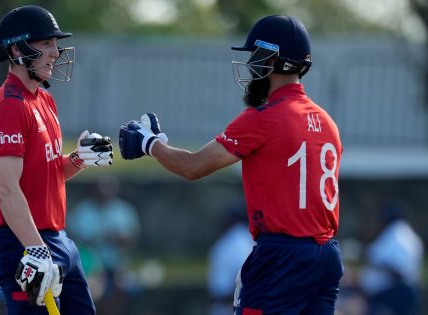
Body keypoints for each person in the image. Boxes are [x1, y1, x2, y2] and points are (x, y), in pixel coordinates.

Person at [119, 15, 344, 314]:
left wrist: (151, 143)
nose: (252, 64)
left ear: (272, 60)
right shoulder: (328, 122)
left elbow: (193, 166)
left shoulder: (264, 118)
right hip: (327, 255)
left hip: (283, 256)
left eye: (257, 56)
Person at [0, 5, 113, 315]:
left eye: (55, 43)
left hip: (54, 238)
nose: (55, 52)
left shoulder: (43, 98)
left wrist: (79, 158)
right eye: (45, 43)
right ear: (16, 49)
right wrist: (35, 247)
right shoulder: (9, 107)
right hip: (22, 241)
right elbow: (5, 188)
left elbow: (49, 172)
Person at [67, 177, 140, 315]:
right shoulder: (82, 211)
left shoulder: (124, 210)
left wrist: (114, 238)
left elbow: (131, 239)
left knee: (122, 286)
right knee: (92, 288)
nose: (104, 191)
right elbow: (73, 240)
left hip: (117, 265)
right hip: (89, 266)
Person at [359, 201, 424, 315]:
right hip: (403, 292)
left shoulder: (396, 235)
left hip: (395, 294)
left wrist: (379, 266)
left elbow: (399, 270)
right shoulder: (404, 234)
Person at [207, 202, 254, 315]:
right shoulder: (238, 237)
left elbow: (245, 272)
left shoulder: (238, 237)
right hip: (228, 305)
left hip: (228, 305)